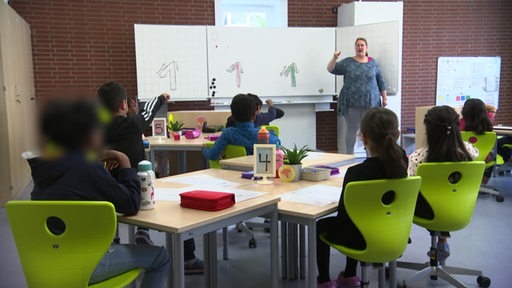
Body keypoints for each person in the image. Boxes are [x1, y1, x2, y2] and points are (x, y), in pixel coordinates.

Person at [28, 100, 170, 288]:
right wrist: (123, 160)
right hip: (85, 263)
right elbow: (131, 204)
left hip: (44, 262)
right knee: (160, 258)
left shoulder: (43, 168)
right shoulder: (87, 167)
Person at [98, 82, 204, 274]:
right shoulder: (132, 124)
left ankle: (142, 232)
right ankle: (188, 258)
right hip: (137, 191)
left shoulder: (97, 130)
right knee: (178, 202)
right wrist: (162, 97)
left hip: (108, 194)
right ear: (123, 104)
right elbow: (149, 111)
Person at [316, 108, 407, 288]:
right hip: (394, 232)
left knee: (322, 225)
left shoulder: (356, 173)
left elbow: (344, 215)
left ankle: (325, 281)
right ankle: (349, 275)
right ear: (397, 134)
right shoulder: (403, 162)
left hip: (361, 237)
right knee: (360, 220)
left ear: (363, 137)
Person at [408, 105, 479, 263]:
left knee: (421, 197)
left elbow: (409, 185)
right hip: (459, 208)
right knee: (445, 195)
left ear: (429, 130)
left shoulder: (418, 157)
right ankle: (442, 241)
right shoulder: (470, 151)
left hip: (428, 213)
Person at [327, 37, 388, 154]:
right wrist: (334, 58)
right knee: (351, 129)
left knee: (369, 131)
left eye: (362, 45)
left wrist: (384, 97)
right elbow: (331, 69)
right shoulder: (348, 62)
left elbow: (381, 81)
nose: (360, 47)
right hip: (352, 103)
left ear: (366, 47)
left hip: (370, 103)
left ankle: (370, 156)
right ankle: (349, 155)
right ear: (355, 47)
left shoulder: (373, 62)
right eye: (358, 45)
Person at [204, 94, 280, 160]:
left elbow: (212, 155)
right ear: (254, 115)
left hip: (231, 172)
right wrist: (271, 133)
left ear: (233, 116)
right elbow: (277, 144)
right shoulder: (261, 135)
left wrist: (205, 149)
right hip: (257, 173)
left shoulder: (228, 133)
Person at [459, 98, 495, 183]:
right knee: (492, 153)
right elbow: (493, 108)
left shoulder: (459, 124)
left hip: (464, 159)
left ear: (465, 111)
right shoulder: (488, 120)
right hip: (485, 160)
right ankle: (482, 180)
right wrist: (479, 106)